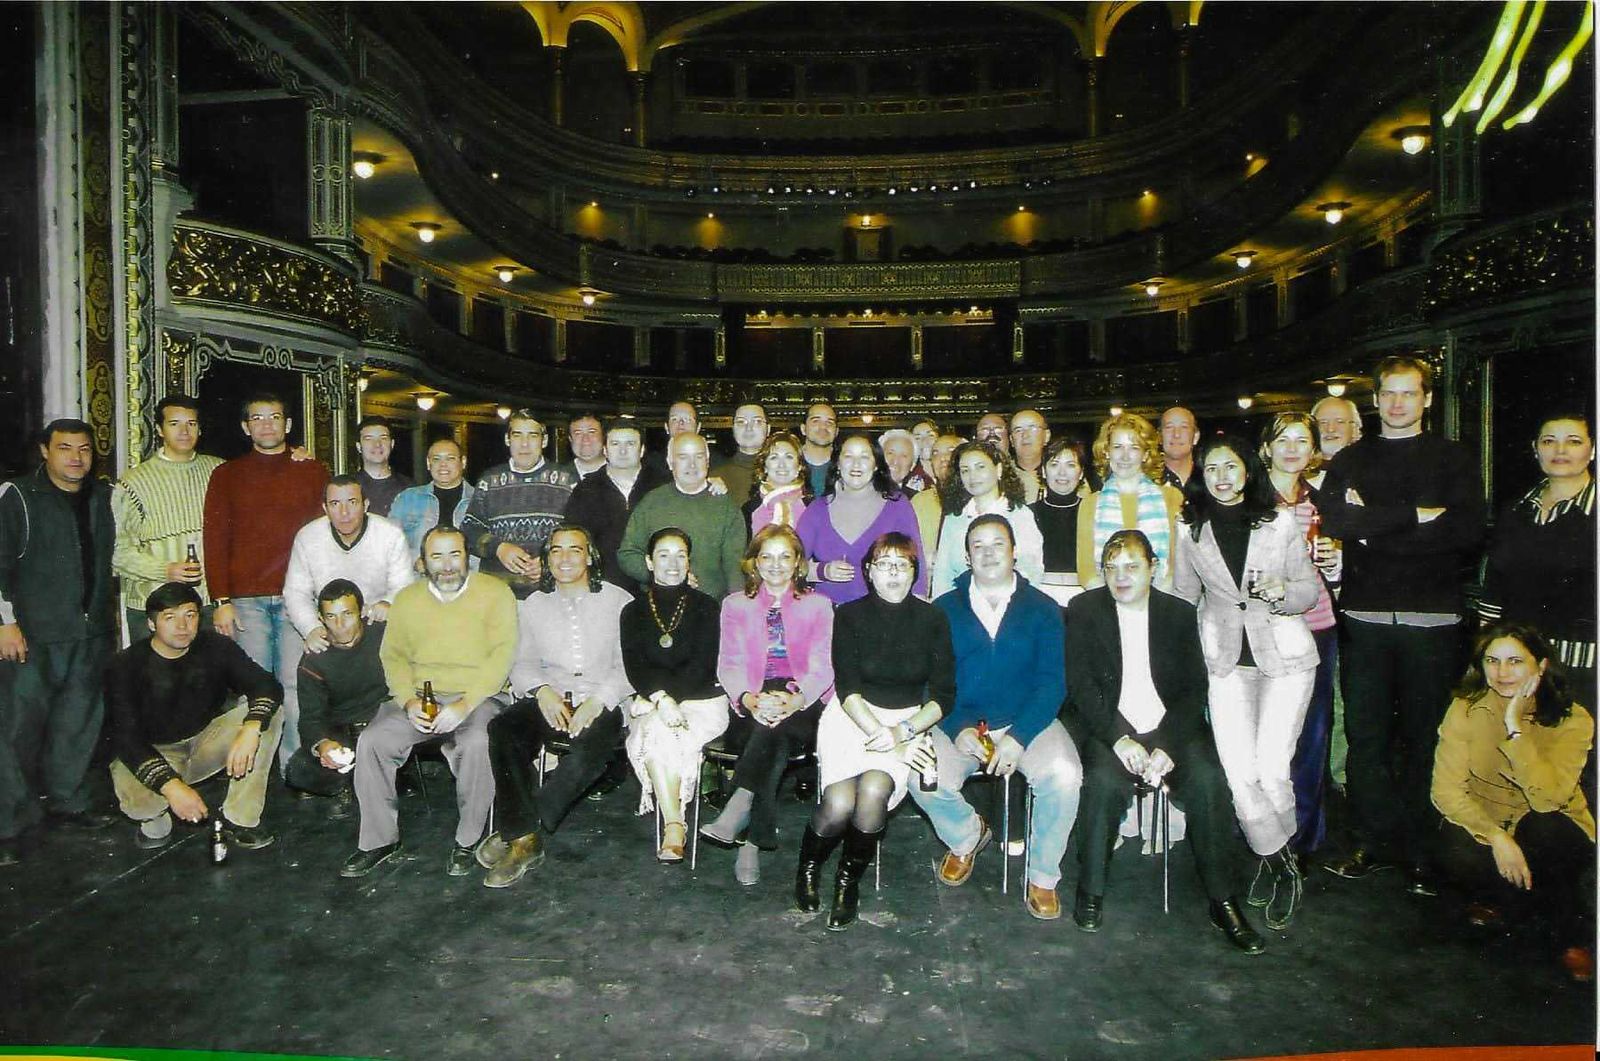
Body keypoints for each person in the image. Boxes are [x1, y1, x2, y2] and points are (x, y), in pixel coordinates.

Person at [1318, 356, 1487, 894]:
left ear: (1427, 399)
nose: (1396, 404)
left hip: (1432, 618)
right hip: (1365, 615)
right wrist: (1417, 515)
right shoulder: (1351, 457)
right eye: (1388, 393)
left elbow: (1466, 532)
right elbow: (1339, 520)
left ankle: (1420, 848)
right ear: (1376, 399)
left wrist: (1375, 527)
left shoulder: (1453, 458)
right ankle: (1371, 840)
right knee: (1366, 738)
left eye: (1408, 394)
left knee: (1423, 738)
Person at [1066, 530, 1266, 953]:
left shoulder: (1177, 612)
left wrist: (1168, 747)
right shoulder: (1085, 609)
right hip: (1112, 727)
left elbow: (1194, 689)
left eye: (1132, 567)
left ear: (1153, 569)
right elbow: (1081, 688)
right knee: (1102, 784)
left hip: (1170, 729)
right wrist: (1119, 739)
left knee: (1210, 781)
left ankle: (1223, 899)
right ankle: (1090, 889)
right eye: (1112, 568)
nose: (1121, 577)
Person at [1173, 434, 1320, 929]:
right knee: (1239, 776)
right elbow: (1182, 596)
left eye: (1230, 467)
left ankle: (1275, 864)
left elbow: (1307, 592)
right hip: (1225, 663)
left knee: (1272, 770)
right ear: (1201, 475)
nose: (1221, 477)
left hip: (1285, 659)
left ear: (1247, 471)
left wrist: (1284, 591)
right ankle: (1282, 862)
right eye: (1212, 468)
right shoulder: (1189, 529)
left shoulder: (1278, 521)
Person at [912, 515, 1081, 920]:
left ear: (1014, 552)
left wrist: (1019, 737)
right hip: (961, 721)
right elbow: (931, 682)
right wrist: (957, 728)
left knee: (1065, 775)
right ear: (966, 555)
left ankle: (1042, 876)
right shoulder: (944, 609)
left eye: (997, 544)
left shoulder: (1043, 609)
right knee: (921, 777)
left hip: (1027, 721)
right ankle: (968, 836)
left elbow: (1052, 684)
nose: (988, 553)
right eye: (978, 546)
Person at [342, 526, 517, 878]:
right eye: (437, 556)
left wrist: (464, 706)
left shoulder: (496, 593)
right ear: (422, 562)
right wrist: (408, 702)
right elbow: (392, 658)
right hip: (422, 698)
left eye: (455, 554)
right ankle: (378, 841)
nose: (447, 565)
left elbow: (502, 658)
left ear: (468, 556)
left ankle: (468, 840)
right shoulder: (407, 599)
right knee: (373, 741)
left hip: (480, 695)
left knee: (477, 741)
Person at [802, 532, 952, 929]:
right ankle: (808, 866)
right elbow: (847, 688)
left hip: (906, 722)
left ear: (914, 572)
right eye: (884, 564)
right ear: (869, 572)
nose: (894, 573)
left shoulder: (933, 619)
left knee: (871, 794)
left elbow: (943, 696)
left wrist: (901, 732)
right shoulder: (848, 615)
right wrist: (882, 733)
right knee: (837, 806)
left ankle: (847, 882)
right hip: (853, 718)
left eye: (902, 565)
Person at [1431, 621, 1594, 982]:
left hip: (1550, 826)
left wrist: (1515, 727)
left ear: (1542, 666)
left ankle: (1570, 933)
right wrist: (1498, 837)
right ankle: (1501, 898)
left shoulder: (1574, 718)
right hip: (1490, 826)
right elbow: (1446, 791)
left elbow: (1549, 800)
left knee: (1543, 829)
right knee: (1452, 844)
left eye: (1515, 661)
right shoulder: (1464, 708)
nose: (1502, 673)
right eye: (1492, 661)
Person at [477, 525, 634, 888]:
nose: (565, 559)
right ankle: (524, 838)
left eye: (574, 550)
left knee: (587, 753)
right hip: (554, 697)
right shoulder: (534, 605)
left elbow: (628, 667)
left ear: (590, 556)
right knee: (504, 728)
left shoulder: (618, 601)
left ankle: (521, 831)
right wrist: (542, 690)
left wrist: (598, 701)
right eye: (556, 551)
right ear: (547, 560)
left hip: (602, 699)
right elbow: (522, 661)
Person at [0, 419, 117, 864]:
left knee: (78, 724)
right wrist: (4, 622)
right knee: (15, 730)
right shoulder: (18, 497)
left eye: (84, 449)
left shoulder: (105, 497)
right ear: (44, 451)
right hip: (34, 635)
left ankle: (69, 803)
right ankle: (10, 824)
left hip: (89, 634)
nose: (76, 457)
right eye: (65, 448)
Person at [203, 391, 330, 775]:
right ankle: (252, 775)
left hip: (297, 598)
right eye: (257, 418)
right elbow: (215, 539)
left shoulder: (311, 470)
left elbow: (322, 537)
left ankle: (294, 768)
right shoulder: (227, 474)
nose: (267, 424)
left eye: (274, 417)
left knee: (295, 687)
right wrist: (221, 598)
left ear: (288, 425)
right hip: (246, 601)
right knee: (254, 690)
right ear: (245, 427)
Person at [703, 525, 835, 886]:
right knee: (767, 733)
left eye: (784, 556)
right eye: (767, 556)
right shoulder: (734, 604)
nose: (775, 565)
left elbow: (824, 665)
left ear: (797, 564)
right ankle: (751, 837)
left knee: (774, 729)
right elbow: (728, 662)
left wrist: (795, 700)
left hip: (803, 700)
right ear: (754, 563)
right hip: (751, 696)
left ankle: (740, 813)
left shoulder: (819, 605)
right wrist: (748, 698)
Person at [107, 582, 283, 852]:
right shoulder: (126, 664)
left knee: (267, 714)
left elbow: (265, 685)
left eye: (190, 615)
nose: (182, 625)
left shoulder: (215, 646)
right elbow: (126, 738)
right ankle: (156, 818)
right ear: (152, 624)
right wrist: (172, 786)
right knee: (143, 806)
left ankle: (241, 817)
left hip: (204, 741)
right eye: (170, 617)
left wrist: (251, 729)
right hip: (153, 751)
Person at [620, 528, 728, 862]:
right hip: (657, 701)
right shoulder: (632, 611)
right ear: (650, 562)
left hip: (703, 701)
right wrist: (660, 698)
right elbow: (635, 666)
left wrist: (661, 697)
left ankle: (673, 827)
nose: (673, 563)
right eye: (664, 555)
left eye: (681, 555)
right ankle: (675, 823)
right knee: (657, 729)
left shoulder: (707, 607)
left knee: (657, 729)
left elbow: (703, 667)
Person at [1262, 412, 1344, 854]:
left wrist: (1336, 563)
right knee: (1268, 738)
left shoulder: (1323, 500)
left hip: (1317, 626)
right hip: (1267, 629)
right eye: (1282, 439)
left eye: (1301, 440)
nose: (1292, 448)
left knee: (1312, 734)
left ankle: (1302, 838)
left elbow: (1332, 566)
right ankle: (1263, 834)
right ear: (1266, 448)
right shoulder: (1250, 499)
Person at [1478, 413, 1595, 709]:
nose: (1560, 450)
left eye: (1573, 441)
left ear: (1592, 450)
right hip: (1517, 667)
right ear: (1535, 449)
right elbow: (1494, 588)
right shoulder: (1516, 510)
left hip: (1584, 666)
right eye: (1549, 441)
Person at [111, 394, 223, 640]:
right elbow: (116, 551)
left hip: (208, 605)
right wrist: (165, 570)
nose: (184, 431)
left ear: (200, 429)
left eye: (191, 423)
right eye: (174, 424)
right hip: (154, 605)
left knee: (209, 678)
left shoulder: (220, 472)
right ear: (160, 430)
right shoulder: (132, 482)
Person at [285, 579, 389, 818]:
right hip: (344, 731)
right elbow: (311, 718)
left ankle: (371, 779)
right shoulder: (314, 659)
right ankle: (359, 780)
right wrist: (323, 745)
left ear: (362, 612)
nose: (340, 625)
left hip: (386, 720)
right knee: (297, 770)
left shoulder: (383, 634)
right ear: (320, 619)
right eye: (331, 617)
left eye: (347, 614)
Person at [283, 476, 414, 655]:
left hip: (375, 624)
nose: (344, 512)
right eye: (335, 504)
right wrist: (311, 629)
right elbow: (296, 592)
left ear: (365, 505)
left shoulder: (390, 535)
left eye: (352, 502)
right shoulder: (308, 537)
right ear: (325, 509)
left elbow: (403, 586)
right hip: (327, 627)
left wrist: (388, 603)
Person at [796, 434, 927, 605]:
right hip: (828, 616)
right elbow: (792, 564)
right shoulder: (817, 509)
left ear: (875, 465)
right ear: (837, 463)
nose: (856, 464)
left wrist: (919, 605)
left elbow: (917, 562)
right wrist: (822, 571)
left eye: (864, 457)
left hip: (884, 614)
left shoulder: (898, 505)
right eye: (848, 456)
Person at [461, 409, 577, 598]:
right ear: (508, 440)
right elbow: (469, 531)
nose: (524, 444)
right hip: (498, 596)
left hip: (553, 594)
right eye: (517, 435)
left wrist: (551, 561)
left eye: (532, 435)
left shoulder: (568, 481)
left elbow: (580, 535)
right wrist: (499, 548)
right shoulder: (489, 480)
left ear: (544, 441)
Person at [617, 434, 748, 601]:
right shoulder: (652, 502)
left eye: (698, 456)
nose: (692, 464)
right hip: (658, 604)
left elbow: (735, 568)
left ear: (707, 462)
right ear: (671, 462)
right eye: (683, 457)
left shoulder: (727, 507)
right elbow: (627, 553)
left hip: (709, 608)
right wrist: (661, 576)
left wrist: (736, 608)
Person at [1076, 412, 1183, 591]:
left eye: (1134, 447)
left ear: (1145, 454)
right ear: (1107, 452)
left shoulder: (1172, 497)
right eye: (1118, 447)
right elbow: (1087, 572)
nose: (1125, 456)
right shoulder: (1090, 504)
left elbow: (1178, 566)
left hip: (1162, 600)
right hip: (1105, 603)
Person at [930, 440, 1044, 597]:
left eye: (980, 467)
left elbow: (1031, 571)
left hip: (1012, 606)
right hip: (962, 607)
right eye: (965, 471)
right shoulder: (954, 519)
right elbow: (943, 575)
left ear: (998, 470)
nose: (972, 476)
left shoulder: (1020, 515)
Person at [564, 421, 668, 591]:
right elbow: (575, 541)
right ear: (605, 450)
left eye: (630, 443)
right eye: (615, 444)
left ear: (642, 450)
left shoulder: (662, 486)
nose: (622, 451)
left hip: (656, 588)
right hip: (603, 589)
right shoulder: (586, 490)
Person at [389, 437, 476, 563]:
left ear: (463, 462)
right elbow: (390, 541)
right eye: (436, 459)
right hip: (420, 578)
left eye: (450, 458)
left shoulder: (481, 499)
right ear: (428, 464)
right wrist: (414, 561)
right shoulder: (408, 498)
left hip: (470, 578)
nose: (443, 464)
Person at [1030, 437, 1089, 607]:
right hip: (1039, 598)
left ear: (1081, 472)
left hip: (1084, 598)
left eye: (1070, 465)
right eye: (1054, 464)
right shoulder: (1027, 514)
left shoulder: (1093, 510)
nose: (1062, 473)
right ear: (1043, 470)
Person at [911, 433, 964, 578]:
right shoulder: (920, 501)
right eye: (936, 453)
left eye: (951, 450)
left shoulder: (976, 498)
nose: (943, 457)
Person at [745, 430, 812, 533]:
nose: (782, 464)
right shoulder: (749, 509)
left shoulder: (812, 508)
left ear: (799, 466)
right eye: (774, 457)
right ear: (764, 467)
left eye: (789, 457)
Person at [353, 416, 412, 516]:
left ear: (392, 444)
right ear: (359, 447)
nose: (377, 444)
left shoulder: (410, 488)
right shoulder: (348, 487)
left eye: (383, 438)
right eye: (369, 439)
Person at [712, 403, 770, 503]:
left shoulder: (782, 471)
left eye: (757, 421)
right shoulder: (716, 476)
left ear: (768, 429)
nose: (748, 428)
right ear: (733, 429)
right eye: (741, 422)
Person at [1009, 409, 1051, 503]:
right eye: (1018, 430)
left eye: (1032, 428)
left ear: (1047, 436)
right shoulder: (1001, 474)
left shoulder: (1061, 472)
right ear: (1011, 440)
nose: (1025, 435)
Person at [801, 403, 839, 498]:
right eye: (816, 421)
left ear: (837, 431)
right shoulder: (787, 464)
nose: (823, 427)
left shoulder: (845, 466)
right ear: (803, 429)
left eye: (829, 422)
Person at [1312, 396, 1364, 461]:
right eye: (1323, 422)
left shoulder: (1371, 465)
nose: (1330, 429)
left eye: (1340, 422)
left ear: (1354, 429)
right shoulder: (1300, 468)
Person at [1160, 406, 1201, 489]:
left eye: (1184, 427)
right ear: (1159, 436)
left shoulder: (1209, 478)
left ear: (1195, 437)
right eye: (1169, 427)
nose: (1176, 435)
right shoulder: (1147, 482)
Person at [557, 414, 607, 480]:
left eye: (592, 432)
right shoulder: (557, 478)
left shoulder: (619, 472)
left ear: (603, 437)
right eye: (578, 433)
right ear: (570, 439)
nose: (585, 439)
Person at [909, 420, 939, 488]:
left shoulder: (952, 471)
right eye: (918, 438)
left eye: (930, 435)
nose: (925, 441)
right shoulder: (906, 476)